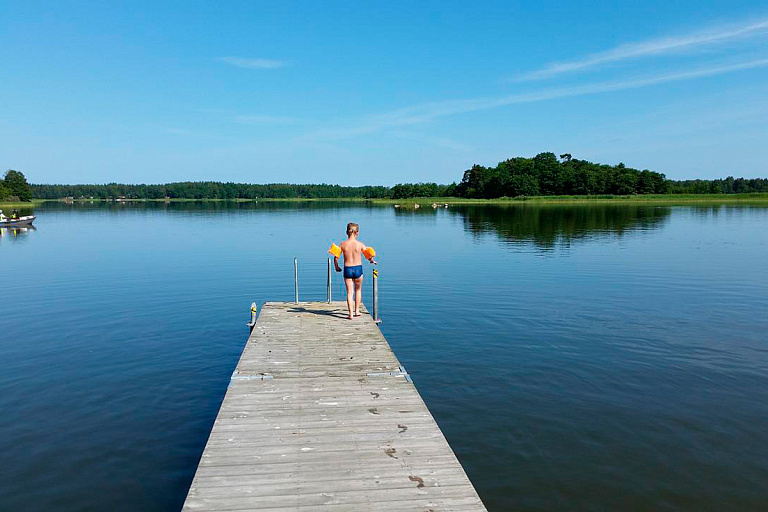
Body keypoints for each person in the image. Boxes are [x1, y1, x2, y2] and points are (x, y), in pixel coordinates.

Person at [333, 222, 377, 320]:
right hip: (358, 269)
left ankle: (350, 314)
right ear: (357, 232)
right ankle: (357, 311)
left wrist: (336, 267)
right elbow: (368, 255)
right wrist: (372, 261)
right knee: (358, 290)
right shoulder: (360, 244)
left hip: (347, 269)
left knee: (349, 292)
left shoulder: (343, 244)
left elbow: (336, 257)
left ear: (346, 232)